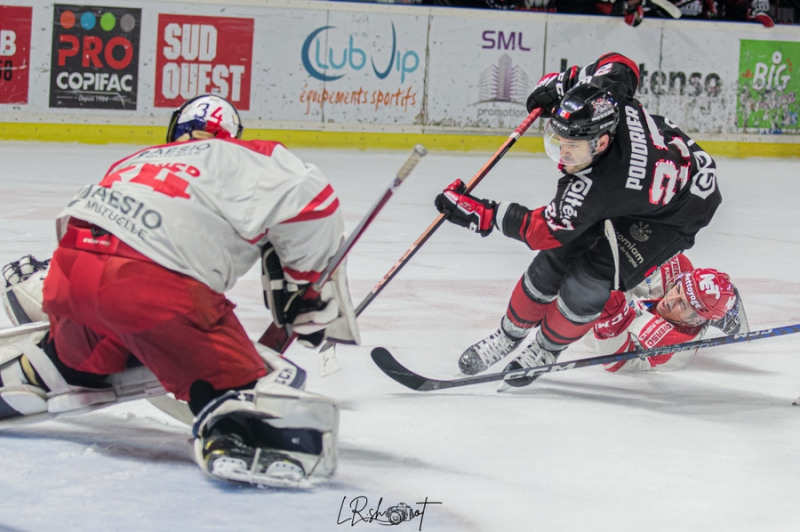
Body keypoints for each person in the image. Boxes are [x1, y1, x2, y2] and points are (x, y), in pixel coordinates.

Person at [0, 94, 359, 489]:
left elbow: (72, 224)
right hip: (152, 293)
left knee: (85, 344)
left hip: (70, 279)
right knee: (246, 380)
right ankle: (233, 426)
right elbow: (315, 202)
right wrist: (303, 288)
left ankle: (49, 368)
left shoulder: (137, 158)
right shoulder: (255, 156)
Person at [434, 52, 722, 390]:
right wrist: (567, 82)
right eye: (559, 141)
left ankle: (544, 350)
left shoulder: (602, 185)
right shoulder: (608, 98)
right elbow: (621, 64)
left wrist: (481, 214)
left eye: (573, 146)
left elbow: (542, 231)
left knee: (589, 277)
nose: (563, 154)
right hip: (657, 178)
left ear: (600, 142)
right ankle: (507, 336)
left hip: (677, 214)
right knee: (557, 259)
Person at [587, 254, 748, 372]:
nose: (671, 299)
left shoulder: (669, 341)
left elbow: (619, 363)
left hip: (599, 325)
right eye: (678, 289)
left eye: (683, 304)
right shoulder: (675, 267)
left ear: (695, 321)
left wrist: (610, 318)